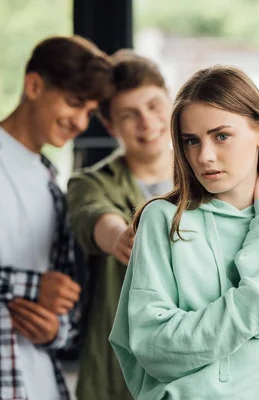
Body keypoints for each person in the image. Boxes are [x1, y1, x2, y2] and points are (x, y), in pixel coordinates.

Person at [109, 66, 259, 400]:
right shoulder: (164, 220)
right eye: (191, 141)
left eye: (221, 136)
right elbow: (154, 347)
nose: (205, 156)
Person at [0, 35, 112, 400]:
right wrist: (30, 286)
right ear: (34, 86)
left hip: (41, 384)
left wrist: (54, 331)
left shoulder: (52, 184)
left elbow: (64, 303)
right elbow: (41, 285)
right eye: (73, 103)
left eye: (89, 111)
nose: (80, 121)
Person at [67, 49, 174, 400]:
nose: (147, 122)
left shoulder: (211, 176)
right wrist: (119, 237)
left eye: (154, 106)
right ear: (111, 126)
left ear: (171, 101)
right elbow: (93, 215)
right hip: (120, 376)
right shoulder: (91, 182)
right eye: (129, 114)